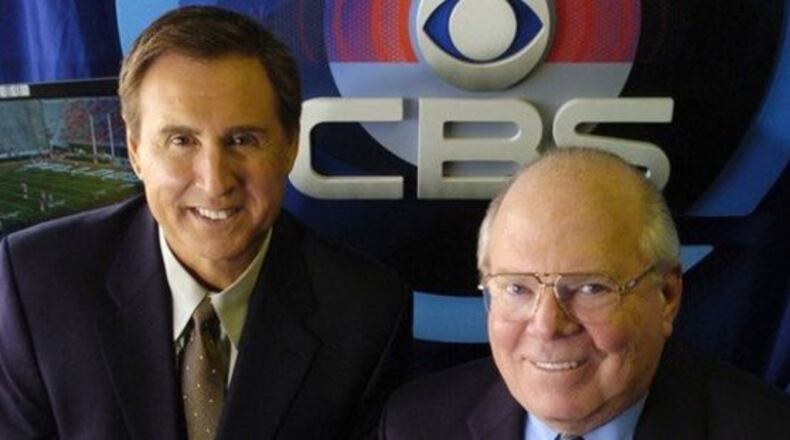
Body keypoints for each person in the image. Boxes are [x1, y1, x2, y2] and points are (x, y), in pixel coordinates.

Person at [0, 6, 411, 439]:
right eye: (181, 140)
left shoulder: (367, 313)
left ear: (290, 144)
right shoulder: (37, 283)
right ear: (136, 150)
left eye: (242, 139)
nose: (215, 181)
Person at [379, 148, 790, 439]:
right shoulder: (414, 424)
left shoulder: (766, 429)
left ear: (666, 296)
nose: (547, 325)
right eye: (518, 288)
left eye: (591, 288)